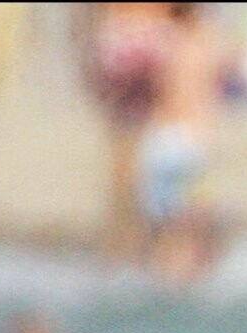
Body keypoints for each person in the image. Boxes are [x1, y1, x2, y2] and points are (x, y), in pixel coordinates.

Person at [138, 2, 224, 283]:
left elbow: (155, 91)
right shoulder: (206, 43)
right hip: (194, 138)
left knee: (164, 221)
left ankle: (167, 272)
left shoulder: (166, 43)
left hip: (164, 136)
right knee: (189, 217)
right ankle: (189, 272)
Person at [86, 3, 172, 258]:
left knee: (130, 152)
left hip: (128, 42)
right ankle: (131, 235)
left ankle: (127, 235)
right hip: (140, 42)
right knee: (133, 153)